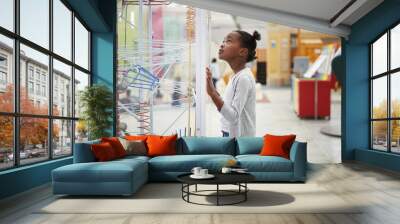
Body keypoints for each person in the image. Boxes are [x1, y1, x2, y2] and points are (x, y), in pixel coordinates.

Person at [206, 30, 260, 137]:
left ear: (242, 52)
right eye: (223, 41)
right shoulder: (236, 76)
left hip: (239, 141)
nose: (222, 44)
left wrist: (212, 94)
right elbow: (228, 104)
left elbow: (233, 117)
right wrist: (212, 89)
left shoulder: (243, 78)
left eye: (228, 41)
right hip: (231, 135)